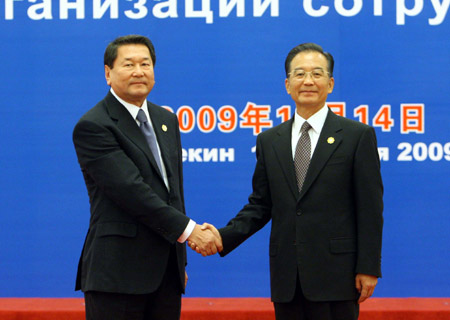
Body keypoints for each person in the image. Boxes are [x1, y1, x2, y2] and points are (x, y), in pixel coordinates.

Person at [193, 43, 383, 320]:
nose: (308, 81)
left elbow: (369, 208)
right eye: (299, 74)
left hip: (337, 276)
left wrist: (368, 266)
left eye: (317, 74)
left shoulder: (356, 136)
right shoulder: (270, 141)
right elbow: (260, 205)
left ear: (330, 84)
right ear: (287, 84)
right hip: (287, 279)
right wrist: (223, 236)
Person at [73, 34, 222, 320]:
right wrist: (191, 232)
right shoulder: (94, 125)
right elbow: (132, 191)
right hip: (117, 274)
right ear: (108, 73)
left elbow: (172, 192)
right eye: (128, 64)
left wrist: (180, 263)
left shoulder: (166, 120)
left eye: (146, 64)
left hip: (165, 272)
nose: (139, 71)